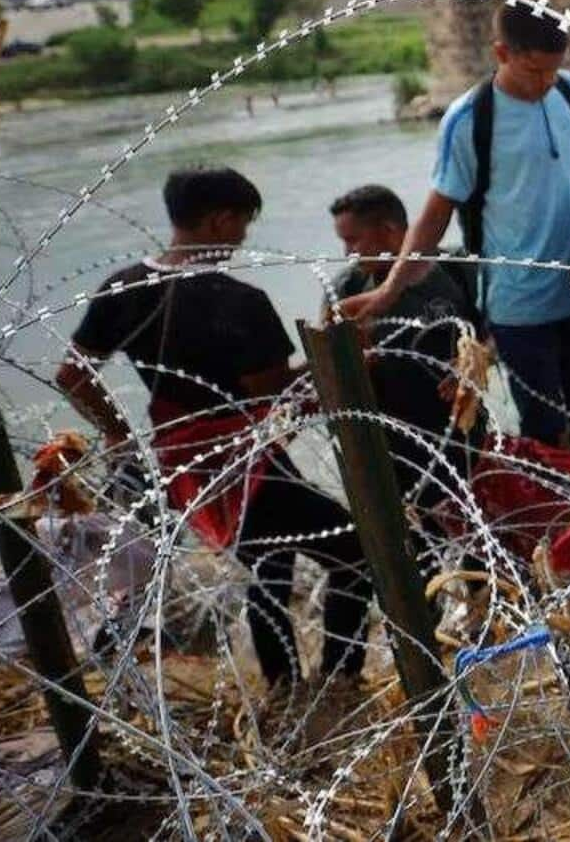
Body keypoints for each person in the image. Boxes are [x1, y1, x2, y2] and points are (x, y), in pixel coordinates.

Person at [55, 166, 372, 689]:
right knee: (354, 552)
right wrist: (337, 358)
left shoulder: (126, 286)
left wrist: (117, 434)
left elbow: (73, 374)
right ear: (221, 220)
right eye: (243, 223)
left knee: (268, 561)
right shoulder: (239, 302)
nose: (244, 237)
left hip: (186, 464)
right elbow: (271, 396)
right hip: (245, 460)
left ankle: (285, 686)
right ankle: (338, 679)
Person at [342, 3, 570, 452]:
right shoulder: (470, 120)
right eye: (533, 71)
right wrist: (389, 290)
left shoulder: (569, 91)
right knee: (546, 427)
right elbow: (435, 214)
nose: (545, 82)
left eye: (553, 70)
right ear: (502, 53)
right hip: (518, 305)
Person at [328, 184, 480, 567]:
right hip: (396, 446)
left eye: (354, 239)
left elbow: (492, 332)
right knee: (423, 553)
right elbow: (326, 367)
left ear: (392, 230)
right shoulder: (348, 288)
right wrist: (353, 363)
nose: (348, 252)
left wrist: (473, 363)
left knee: (480, 540)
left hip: (459, 431)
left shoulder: (453, 269)